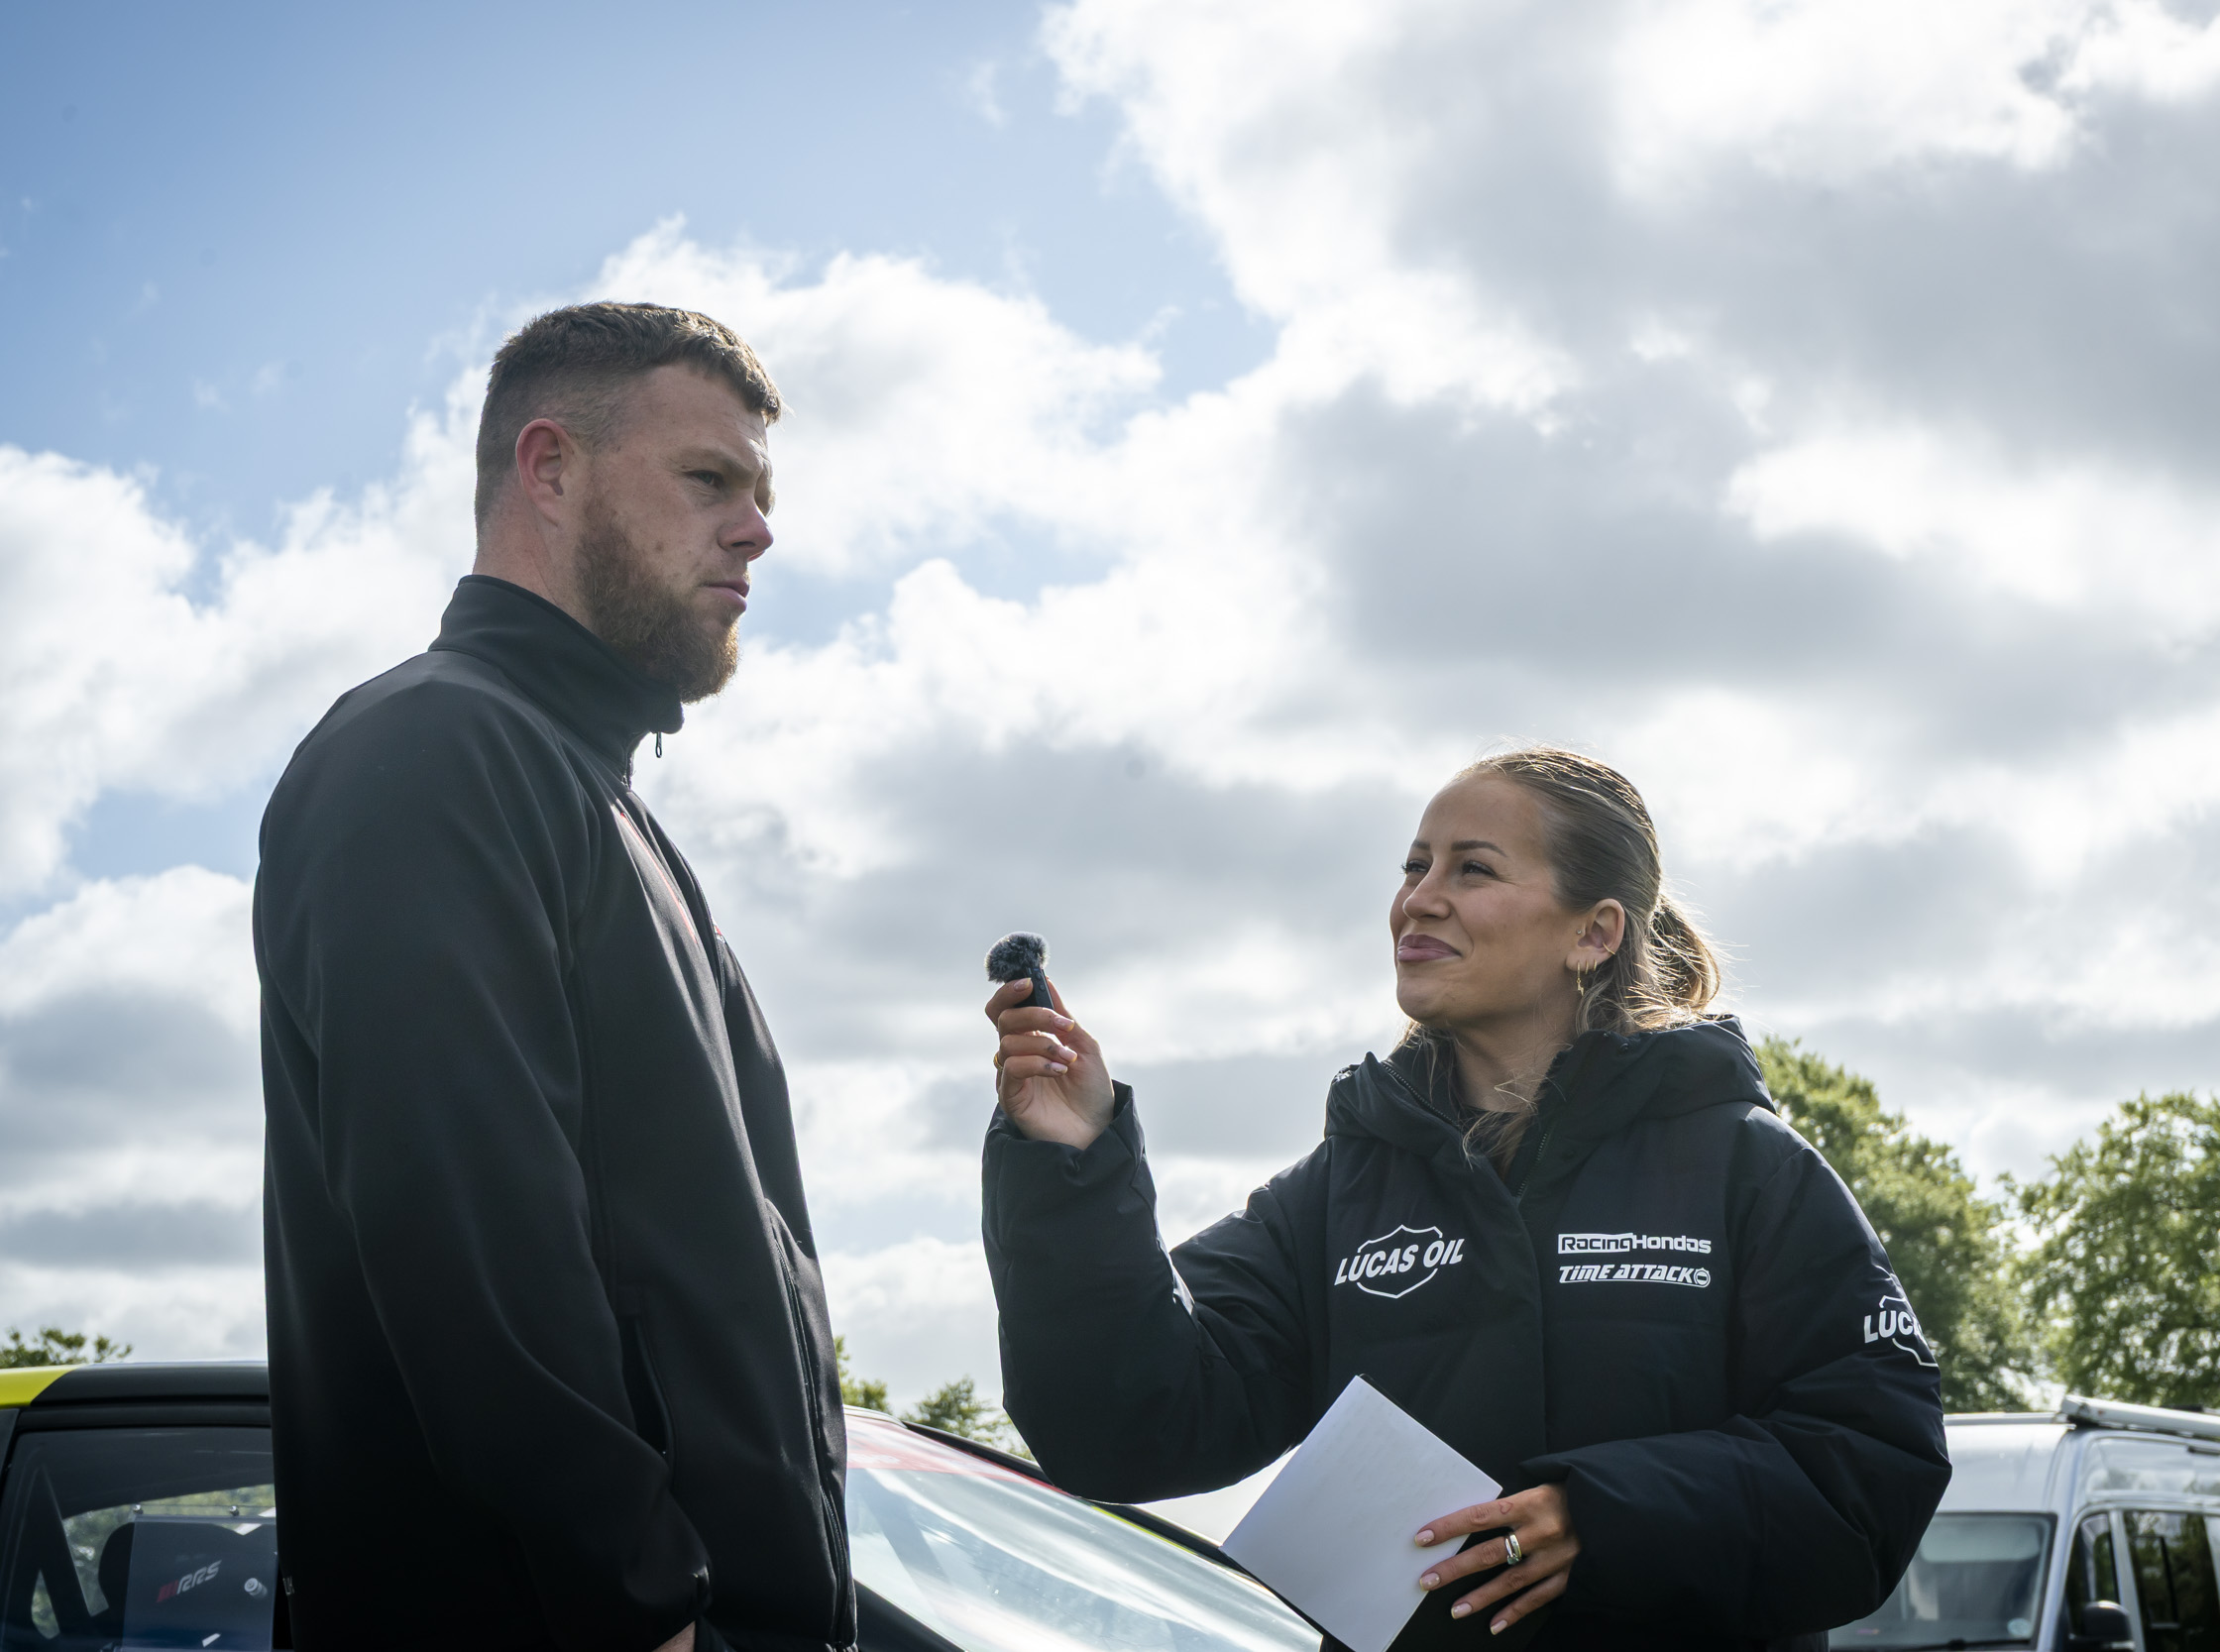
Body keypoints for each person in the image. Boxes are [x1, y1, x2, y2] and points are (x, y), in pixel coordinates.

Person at [981, 748, 1949, 1650]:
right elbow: (1127, 1430)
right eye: (1414, 867)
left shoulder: (1748, 1166)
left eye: (1471, 868)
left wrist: (1605, 1515)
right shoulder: (1336, 1192)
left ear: (1593, 932)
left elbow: (1870, 1468)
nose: (1419, 899)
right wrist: (1072, 1164)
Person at [257, 303, 852, 1652]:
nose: (757, 531)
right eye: (709, 479)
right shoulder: (432, 752)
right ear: (549, 468)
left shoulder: (605, 808)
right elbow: (468, 1248)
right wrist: (645, 1609)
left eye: (763, 496)